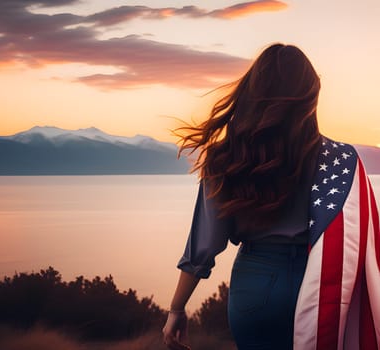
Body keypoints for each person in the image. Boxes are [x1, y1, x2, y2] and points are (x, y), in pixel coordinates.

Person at [162, 43, 380, 350]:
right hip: (321, 282)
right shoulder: (341, 159)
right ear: (309, 98)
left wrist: (176, 308)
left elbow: (204, 244)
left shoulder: (226, 158)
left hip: (256, 284)